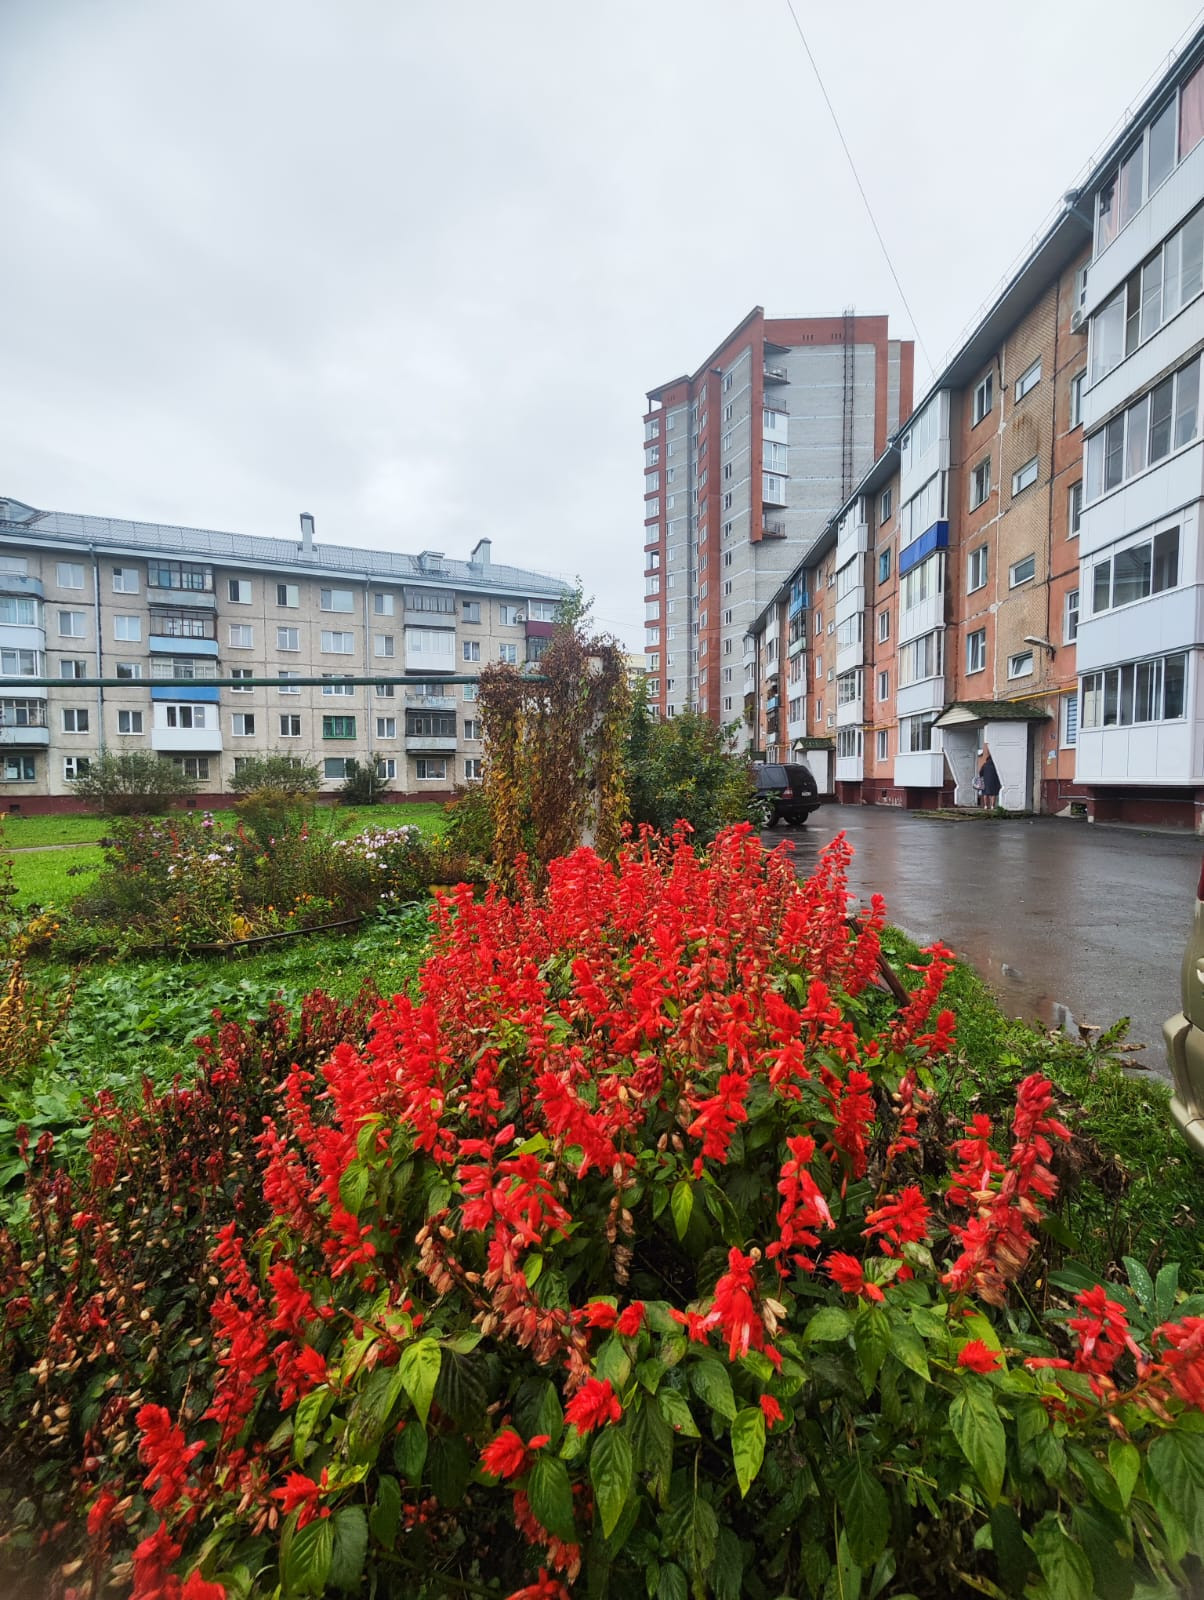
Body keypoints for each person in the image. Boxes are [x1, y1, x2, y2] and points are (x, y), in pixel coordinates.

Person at [978, 745, 1001, 810]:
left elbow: (980, 772)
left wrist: (982, 777)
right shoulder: (996, 766)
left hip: (985, 781)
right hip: (994, 781)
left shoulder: (985, 765)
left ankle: (985, 806)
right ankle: (992, 806)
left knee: (985, 793)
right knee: (993, 794)